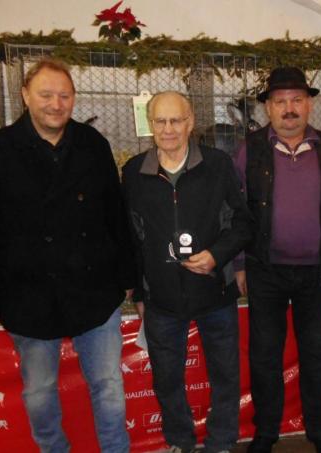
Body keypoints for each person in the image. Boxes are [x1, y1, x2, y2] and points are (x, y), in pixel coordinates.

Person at [0, 58, 135, 453]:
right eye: (46, 94)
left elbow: (115, 217)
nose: (56, 104)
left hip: (95, 291)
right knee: (39, 393)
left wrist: (128, 278)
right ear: (25, 96)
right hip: (28, 295)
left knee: (109, 387)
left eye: (64, 95)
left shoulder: (93, 145)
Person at [232, 67, 321, 453]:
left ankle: (319, 429)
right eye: (281, 101)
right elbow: (233, 211)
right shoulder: (249, 150)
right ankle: (266, 432)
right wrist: (238, 263)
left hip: (317, 273)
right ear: (268, 108)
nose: (289, 109)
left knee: (317, 353)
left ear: (309, 104)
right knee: (266, 355)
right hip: (264, 270)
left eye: (297, 100)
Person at [122, 91, 252, 453]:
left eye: (176, 120)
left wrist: (216, 255)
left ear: (191, 122)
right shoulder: (134, 171)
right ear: (150, 124)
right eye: (160, 121)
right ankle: (180, 442)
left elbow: (244, 223)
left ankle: (221, 442)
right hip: (162, 299)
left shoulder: (217, 165)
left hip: (215, 293)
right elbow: (130, 235)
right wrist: (139, 292)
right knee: (167, 380)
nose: (168, 129)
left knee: (225, 376)